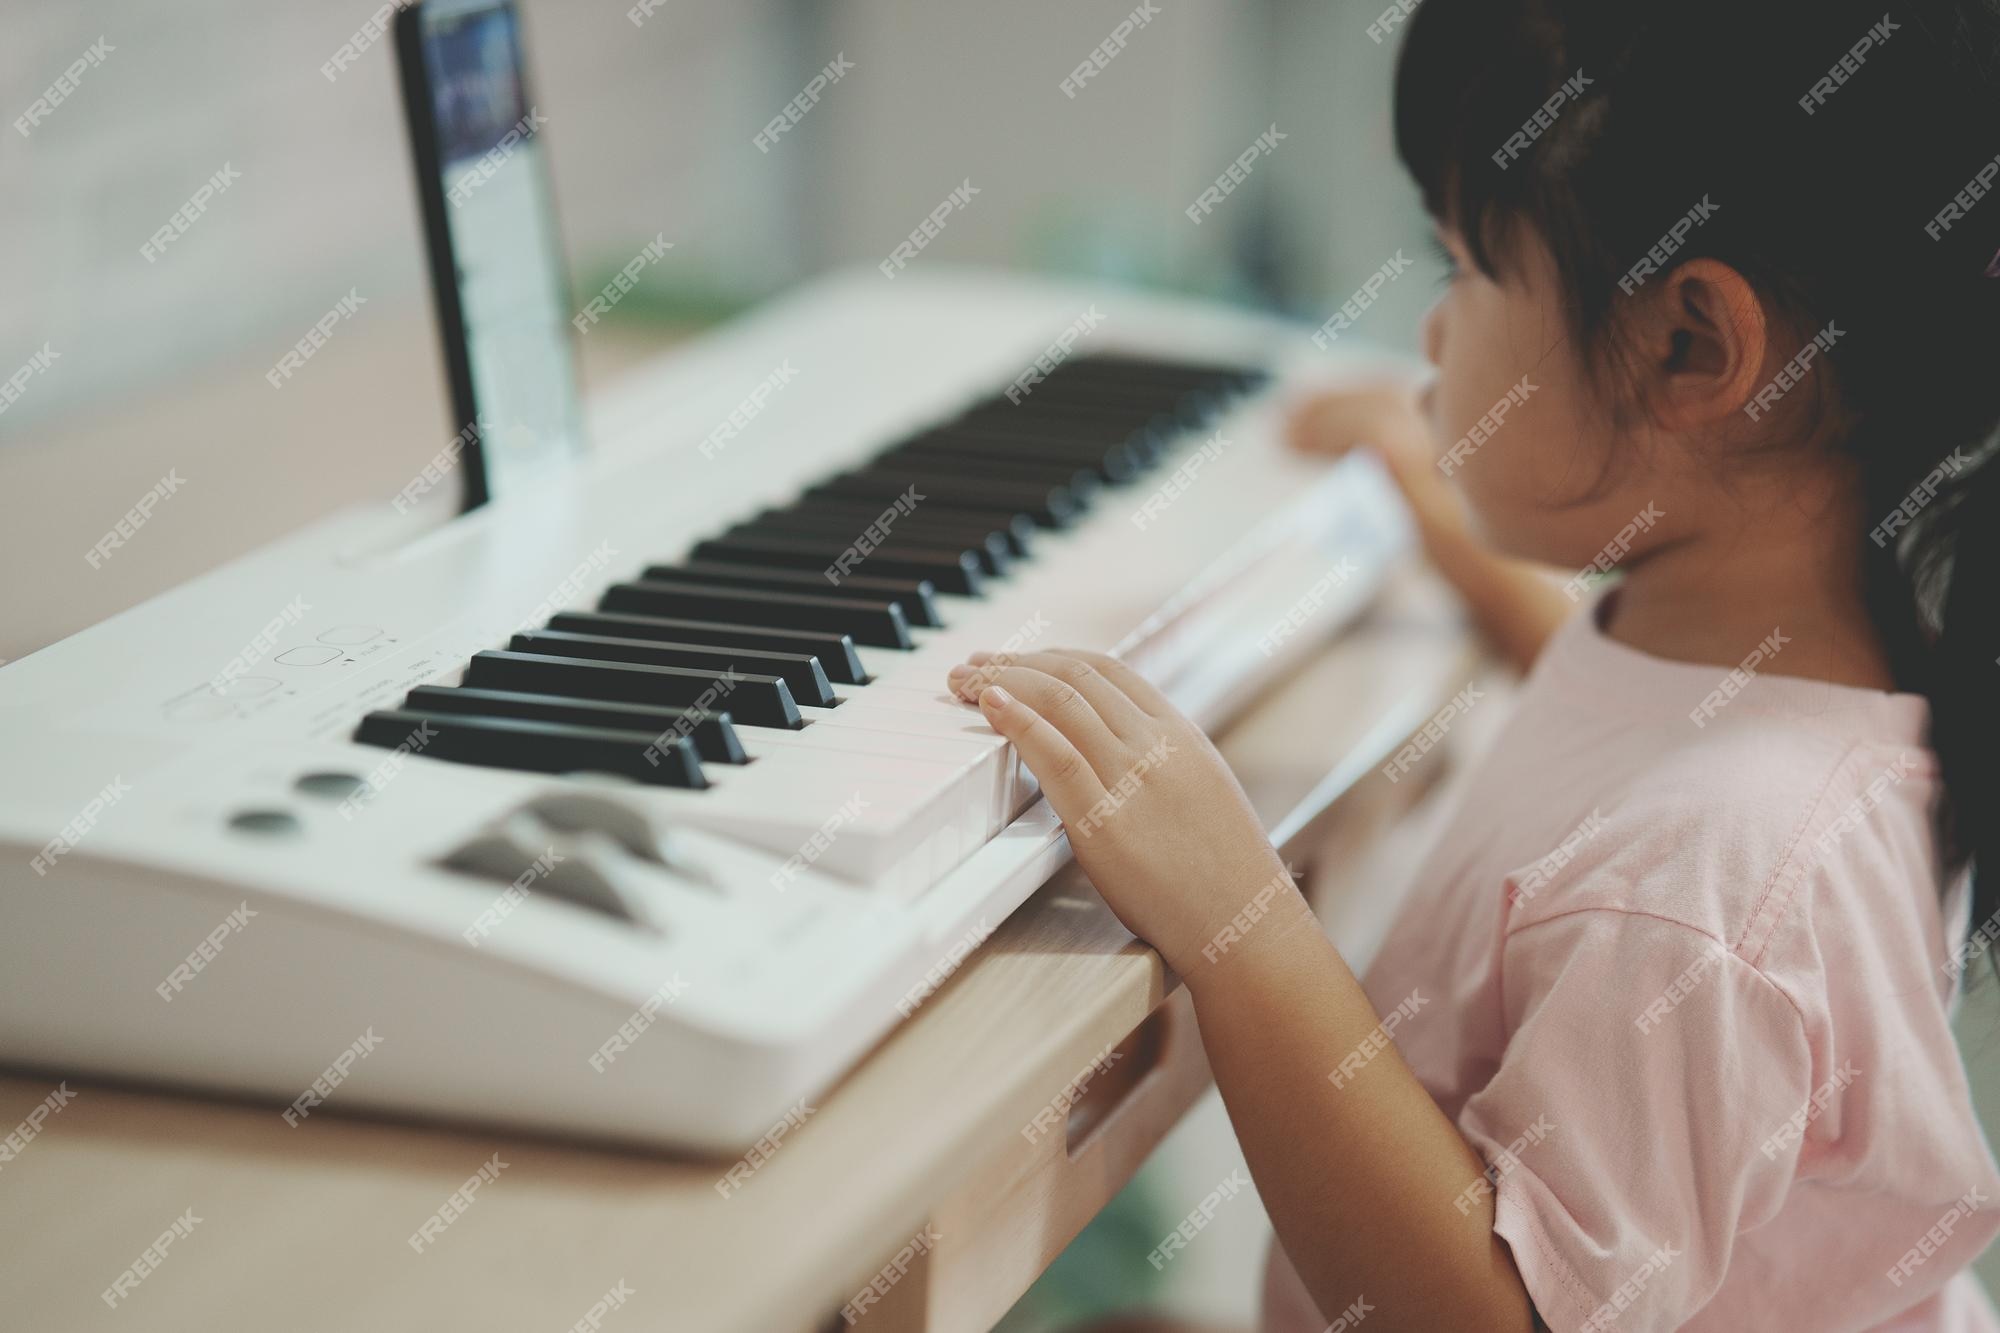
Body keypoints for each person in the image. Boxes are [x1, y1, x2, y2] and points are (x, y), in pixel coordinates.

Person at [945, 0, 2000, 1327]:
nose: (1436, 339)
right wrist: (1467, 545)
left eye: (1458, 265)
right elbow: (1645, 745)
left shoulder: (1710, 884)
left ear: (1690, 346)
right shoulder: (1801, 672)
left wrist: (1236, 908)